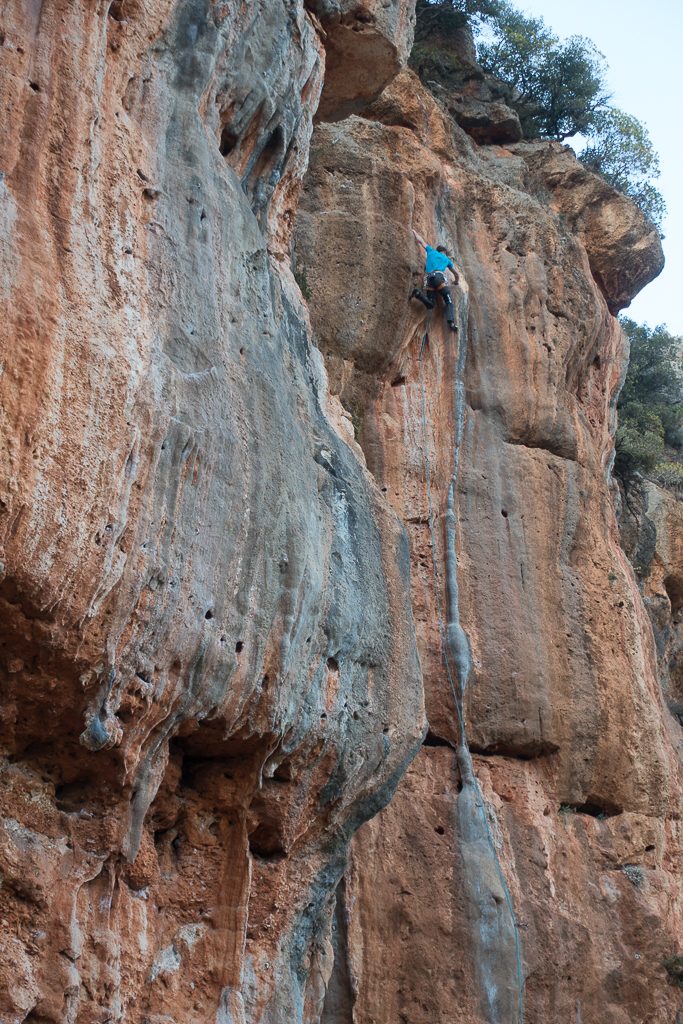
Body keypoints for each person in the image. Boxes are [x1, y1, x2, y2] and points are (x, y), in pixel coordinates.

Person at [411, 228, 459, 332]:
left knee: (431, 304)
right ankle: (451, 323)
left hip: (428, 279)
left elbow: (421, 241)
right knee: (448, 301)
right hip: (438, 277)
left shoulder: (431, 251)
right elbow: (456, 273)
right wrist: (456, 281)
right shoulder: (446, 259)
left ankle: (418, 294)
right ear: (444, 252)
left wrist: (414, 231)